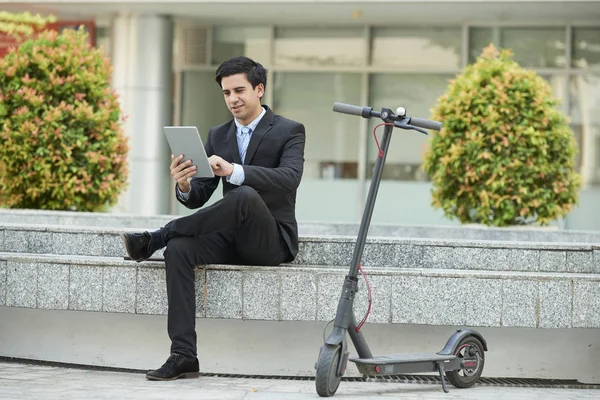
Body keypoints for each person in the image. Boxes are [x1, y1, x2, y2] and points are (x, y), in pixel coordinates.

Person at [120, 56, 306, 381]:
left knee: (244, 194)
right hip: (230, 237)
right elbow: (200, 196)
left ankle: (158, 236)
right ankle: (183, 356)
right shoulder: (218, 134)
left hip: (271, 242)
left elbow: (289, 178)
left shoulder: (289, 130)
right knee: (178, 249)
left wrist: (234, 171)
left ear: (259, 89)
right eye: (226, 93)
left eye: (239, 90)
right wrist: (183, 183)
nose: (232, 99)